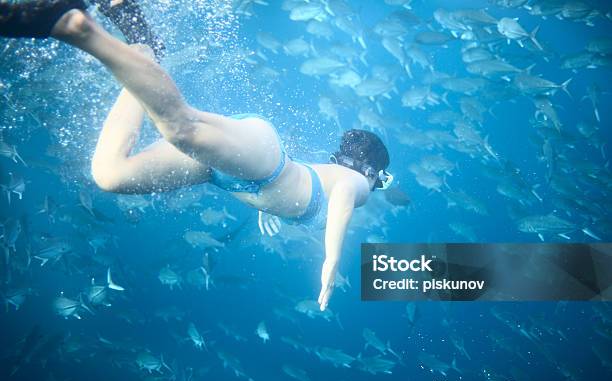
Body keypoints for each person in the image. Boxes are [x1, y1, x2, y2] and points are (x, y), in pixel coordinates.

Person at [0, 1, 393, 311]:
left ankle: (142, 45)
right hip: (260, 164)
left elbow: (310, 184)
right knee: (179, 126)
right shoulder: (357, 184)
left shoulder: (328, 174)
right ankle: (74, 25)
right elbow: (342, 194)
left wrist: (267, 206)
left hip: (233, 171)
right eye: (382, 179)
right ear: (372, 171)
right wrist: (331, 263)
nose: (377, 187)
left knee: (110, 174)